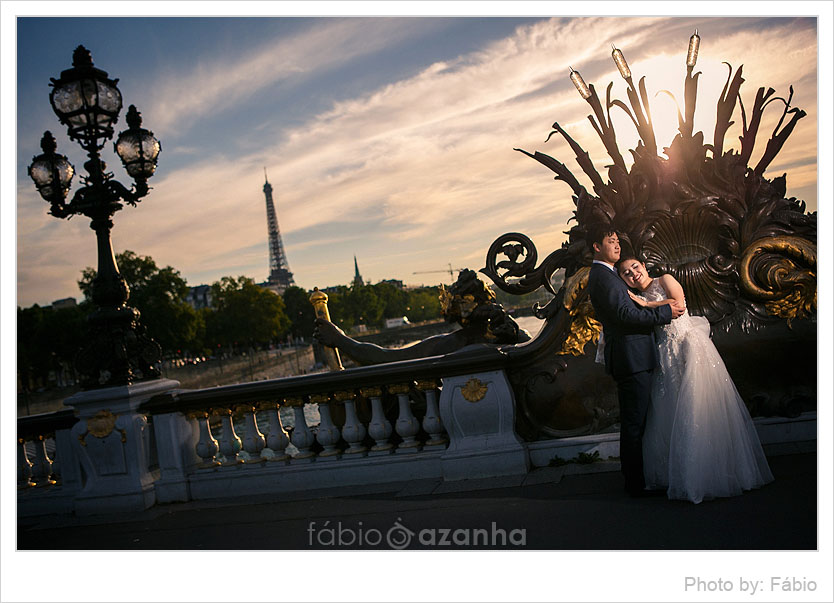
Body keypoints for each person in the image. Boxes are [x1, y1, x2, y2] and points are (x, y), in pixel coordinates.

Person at [616, 254, 774, 503]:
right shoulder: (632, 298)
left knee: (696, 406)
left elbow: (677, 305)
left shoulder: (664, 280)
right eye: (626, 273)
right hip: (663, 356)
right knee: (671, 410)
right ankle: (677, 474)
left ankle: (708, 472)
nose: (633, 273)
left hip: (687, 347)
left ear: (644, 266)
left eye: (635, 267)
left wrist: (646, 306)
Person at [586, 228, 685, 497]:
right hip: (631, 359)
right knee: (634, 424)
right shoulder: (604, 277)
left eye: (618, 241)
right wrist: (665, 312)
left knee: (639, 421)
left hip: (635, 357)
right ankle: (634, 483)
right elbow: (625, 315)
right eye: (610, 241)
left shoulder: (606, 275)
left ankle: (640, 477)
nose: (617, 245)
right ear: (597, 246)